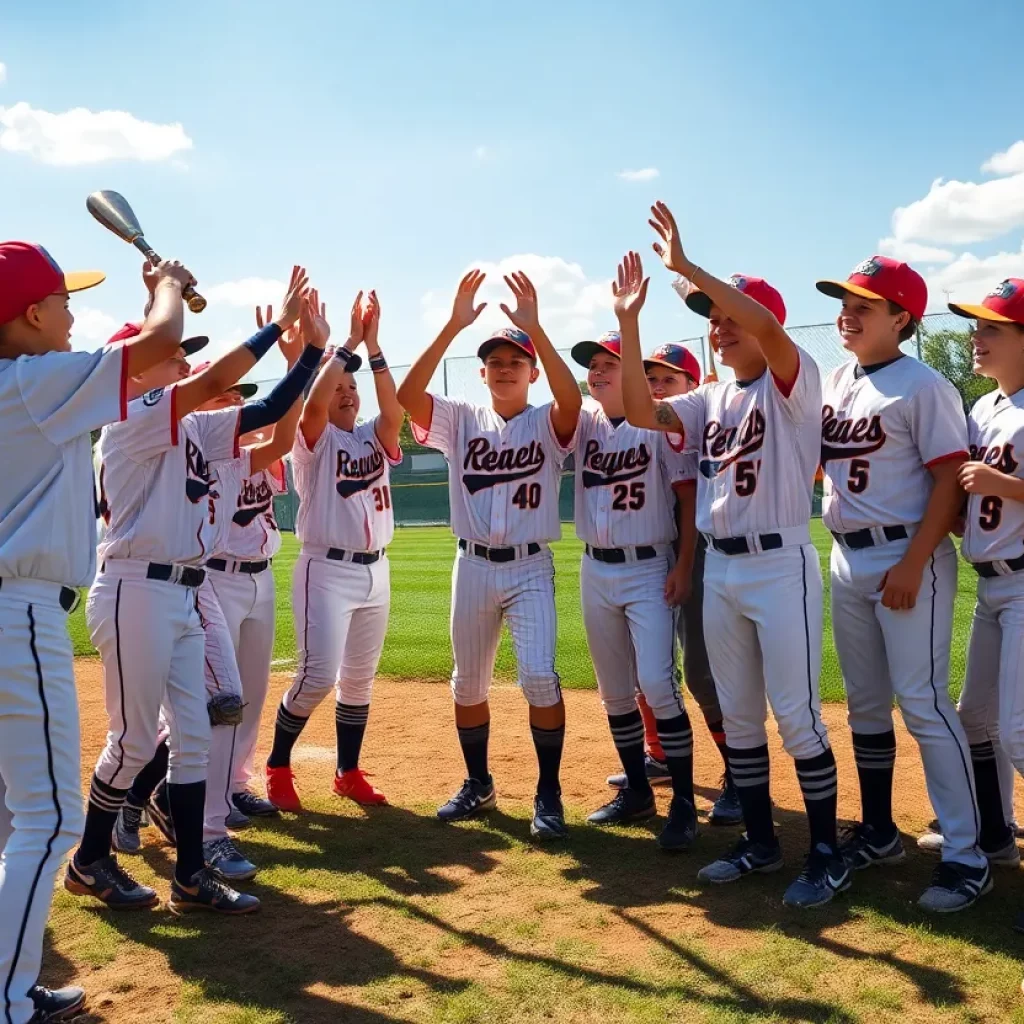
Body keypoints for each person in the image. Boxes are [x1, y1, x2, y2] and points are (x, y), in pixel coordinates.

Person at [65, 267, 317, 916]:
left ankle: (190, 875)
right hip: (134, 588)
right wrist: (280, 325)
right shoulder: (131, 418)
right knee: (134, 742)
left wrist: (313, 353)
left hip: (182, 592)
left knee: (197, 732)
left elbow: (263, 411)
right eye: (170, 355)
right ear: (137, 368)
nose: (182, 362)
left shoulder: (193, 427)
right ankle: (91, 858)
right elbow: (209, 384)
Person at [619, 200, 848, 909]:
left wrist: (687, 267)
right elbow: (635, 411)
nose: (716, 327)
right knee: (742, 717)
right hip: (722, 567)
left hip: (781, 564)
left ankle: (828, 856)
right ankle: (758, 842)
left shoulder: (793, 380)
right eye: (708, 318)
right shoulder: (707, 398)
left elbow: (769, 328)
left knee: (796, 716)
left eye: (725, 316)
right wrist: (628, 324)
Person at [0, 243, 197, 1024]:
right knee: (45, 818)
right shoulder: (30, 381)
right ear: (30, 315)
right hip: (19, 610)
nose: (73, 313)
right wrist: (170, 285)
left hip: (10, 605)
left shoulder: (24, 386)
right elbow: (155, 345)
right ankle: (8, 1000)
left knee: (11, 814)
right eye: (62, 300)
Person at [815, 257, 991, 912]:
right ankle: (882, 830)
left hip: (904, 554)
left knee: (922, 702)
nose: (848, 312)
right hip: (846, 555)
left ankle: (968, 854)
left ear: (902, 318)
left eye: (865, 304)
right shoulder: (837, 379)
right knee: (864, 704)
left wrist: (915, 562)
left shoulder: (924, 386)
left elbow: (950, 478)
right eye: (845, 301)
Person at [397, 271, 582, 839]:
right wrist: (454, 324)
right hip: (472, 564)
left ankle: (547, 792)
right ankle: (479, 784)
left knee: (539, 679)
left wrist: (537, 329)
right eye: (495, 362)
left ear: (530, 372)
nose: (504, 368)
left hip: (529, 565)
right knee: (467, 683)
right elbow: (407, 398)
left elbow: (571, 399)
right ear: (482, 373)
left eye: (515, 361)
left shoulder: (547, 422)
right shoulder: (460, 419)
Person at [265, 290, 405, 810]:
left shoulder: (376, 434)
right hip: (325, 569)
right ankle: (278, 765)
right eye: (339, 386)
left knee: (359, 679)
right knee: (317, 675)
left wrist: (374, 348)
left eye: (353, 387)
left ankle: (347, 772)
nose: (347, 392)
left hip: (376, 571)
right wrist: (345, 342)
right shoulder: (313, 440)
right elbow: (314, 405)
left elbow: (395, 408)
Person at [569, 330, 699, 851]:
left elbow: (687, 501)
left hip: (649, 565)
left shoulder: (658, 425)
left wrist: (684, 565)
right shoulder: (581, 422)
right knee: (614, 689)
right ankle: (638, 791)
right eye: (592, 365)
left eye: (609, 364)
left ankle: (685, 803)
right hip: (594, 569)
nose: (597, 372)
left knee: (658, 683)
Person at [923, 279, 1024, 921]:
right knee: (975, 719)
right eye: (975, 326)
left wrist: (1003, 486)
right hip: (993, 583)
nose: (975, 337)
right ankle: (995, 835)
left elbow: (995, 485)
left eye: (991, 327)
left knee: (1018, 727)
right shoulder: (984, 408)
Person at [609, 339, 742, 827]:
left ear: (693, 388)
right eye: (650, 379)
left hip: (699, 553)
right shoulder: (644, 427)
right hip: (650, 557)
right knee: (647, 669)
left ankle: (737, 774)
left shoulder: (696, 425)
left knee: (703, 674)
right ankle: (661, 754)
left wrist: (685, 566)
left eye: (668, 379)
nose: (657, 387)